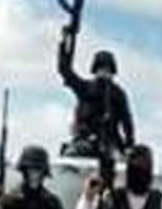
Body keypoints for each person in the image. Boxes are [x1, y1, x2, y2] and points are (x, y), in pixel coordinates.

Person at [57, 40, 134, 186]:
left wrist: (128, 146)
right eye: (101, 69)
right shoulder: (85, 88)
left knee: (120, 173)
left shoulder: (118, 94)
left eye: (107, 69)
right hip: (84, 142)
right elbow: (65, 71)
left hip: (110, 144)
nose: (104, 72)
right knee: (67, 164)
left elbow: (127, 121)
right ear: (95, 70)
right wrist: (66, 42)